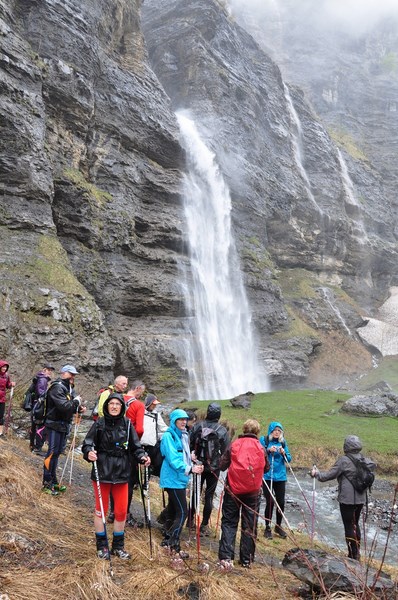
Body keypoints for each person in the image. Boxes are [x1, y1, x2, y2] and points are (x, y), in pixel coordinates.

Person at [82, 393, 151, 560]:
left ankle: (118, 547)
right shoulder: (99, 424)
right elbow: (87, 443)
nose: (114, 406)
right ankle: (102, 547)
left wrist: (142, 457)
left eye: (117, 404)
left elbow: (136, 448)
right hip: (102, 472)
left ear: (122, 407)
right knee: (101, 510)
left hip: (122, 473)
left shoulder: (127, 425)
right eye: (111, 403)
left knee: (120, 512)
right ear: (107, 406)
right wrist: (89, 453)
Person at [311, 435, 376, 560]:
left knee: (348, 525)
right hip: (361, 498)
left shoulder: (344, 460)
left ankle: (352, 555)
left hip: (347, 499)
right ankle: (356, 553)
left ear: (346, 446)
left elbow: (329, 475)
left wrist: (316, 474)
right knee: (355, 524)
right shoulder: (363, 459)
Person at [218, 419, 267, 570]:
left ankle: (226, 557)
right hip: (253, 492)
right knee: (250, 525)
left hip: (233, 489)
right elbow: (266, 468)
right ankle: (246, 560)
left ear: (244, 429)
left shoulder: (234, 444)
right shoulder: (261, 447)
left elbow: (222, 465)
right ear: (257, 432)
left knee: (229, 522)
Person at [160, 408, 204, 557]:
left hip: (180, 479)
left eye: (185, 419)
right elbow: (173, 459)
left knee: (173, 510)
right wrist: (190, 469)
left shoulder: (184, 435)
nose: (184, 422)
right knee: (182, 511)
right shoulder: (168, 436)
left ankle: (167, 540)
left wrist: (190, 459)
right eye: (180, 419)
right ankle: (174, 544)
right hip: (172, 479)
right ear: (174, 421)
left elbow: (183, 455)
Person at [42, 365, 86, 495]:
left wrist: (78, 408)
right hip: (54, 423)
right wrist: (76, 402)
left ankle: (54, 481)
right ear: (63, 373)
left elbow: (70, 407)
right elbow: (63, 406)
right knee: (51, 452)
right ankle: (46, 482)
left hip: (63, 424)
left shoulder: (68, 388)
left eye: (74, 374)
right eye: (70, 374)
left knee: (57, 453)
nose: (73, 377)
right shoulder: (57, 387)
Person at [189, 402, 230, 535]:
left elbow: (189, 444)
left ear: (207, 412)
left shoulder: (197, 426)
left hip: (198, 465)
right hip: (214, 467)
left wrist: (193, 458)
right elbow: (226, 451)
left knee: (195, 492)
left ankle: (190, 520)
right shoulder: (222, 430)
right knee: (209, 496)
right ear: (219, 415)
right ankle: (204, 524)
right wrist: (222, 465)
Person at [261, 421, 292, 539]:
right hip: (267, 476)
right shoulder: (264, 440)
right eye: (275, 430)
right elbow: (259, 452)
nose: (277, 433)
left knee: (281, 502)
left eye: (279, 431)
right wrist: (268, 451)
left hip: (280, 477)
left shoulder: (283, 442)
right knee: (270, 501)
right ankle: (267, 526)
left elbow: (289, 459)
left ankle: (278, 526)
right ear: (271, 431)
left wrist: (284, 453)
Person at [140, 393, 168, 476]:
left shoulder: (156, 415)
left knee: (151, 465)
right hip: (140, 444)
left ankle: (147, 483)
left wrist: (173, 431)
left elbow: (163, 427)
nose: (154, 406)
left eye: (155, 404)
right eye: (153, 404)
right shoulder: (140, 413)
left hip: (152, 445)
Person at [30, 363, 55, 454]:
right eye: (49, 370)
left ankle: (32, 445)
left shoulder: (40, 378)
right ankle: (37, 448)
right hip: (40, 406)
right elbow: (41, 393)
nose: (50, 372)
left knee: (34, 425)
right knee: (41, 426)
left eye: (51, 370)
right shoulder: (43, 379)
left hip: (36, 405)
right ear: (44, 370)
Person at [0, 360, 16, 437]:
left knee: (0, 415)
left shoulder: (6, 376)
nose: (4, 368)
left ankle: (0, 433)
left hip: (2, 398)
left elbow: (8, 385)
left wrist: (11, 384)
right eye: (3, 366)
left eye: (5, 367)